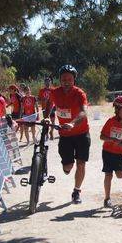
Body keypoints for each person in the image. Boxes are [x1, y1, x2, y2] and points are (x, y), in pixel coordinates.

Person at [45, 65, 90, 204]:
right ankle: (67, 166)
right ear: (59, 80)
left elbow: (84, 112)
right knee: (68, 167)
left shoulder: (80, 93)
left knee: (81, 163)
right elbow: (48, 105)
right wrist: (46, 116)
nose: (66, 82)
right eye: (64, 79)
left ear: (74, 80)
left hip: (82, 133)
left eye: (69, 79)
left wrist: (73, 123)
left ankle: (76, 191)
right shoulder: (54, 92)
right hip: (65, 135)